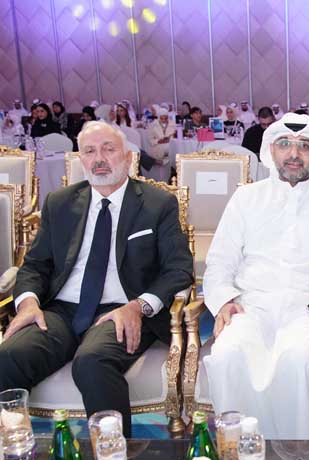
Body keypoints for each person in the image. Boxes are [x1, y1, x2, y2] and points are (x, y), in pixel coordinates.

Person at [0, 121, 193, 437]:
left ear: (128, 157)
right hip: (62, 310)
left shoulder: (157, 203)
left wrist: (138, 306)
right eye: (89, 151)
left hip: (122, 309)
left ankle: (114, 457)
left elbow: (179, 268)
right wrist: (29, 303)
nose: (99, 159)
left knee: (92, 362)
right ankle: (15, 450)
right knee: (8, 358)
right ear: (81, 159)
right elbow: (34, 265)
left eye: (108, 149)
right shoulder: (60, 202)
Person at [201, 113, 309, 439]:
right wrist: (223, 301)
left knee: (299, 359)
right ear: (270, 151)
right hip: (252, 306)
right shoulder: (247, 197)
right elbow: (219, 261)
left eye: (304, 145)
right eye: (285, 144)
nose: (294, 154)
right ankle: (242, 448)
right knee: (228, 353)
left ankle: (302, 453)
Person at [145, 108, 175, 180]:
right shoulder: (153, 125)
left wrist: (169, 139)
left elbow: (175, 137)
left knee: (167, 170)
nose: (164, 120)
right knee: (159, 173)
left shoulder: (172, 124)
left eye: (166, 118)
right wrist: (158, 141)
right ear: (158, 117)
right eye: (162, 118)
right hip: (157, 147)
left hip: (170, 147)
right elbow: (150, 140)